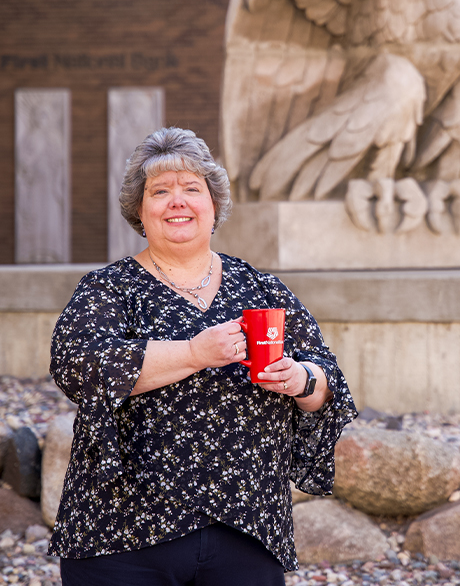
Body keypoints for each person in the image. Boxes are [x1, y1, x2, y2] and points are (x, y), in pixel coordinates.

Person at [49, 126, 357, 586]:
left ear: (213, 205)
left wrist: (301, 380)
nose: (178, 201)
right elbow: (79, 366)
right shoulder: (108, 289)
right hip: (125, 531)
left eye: (192, 189)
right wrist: (194, 352)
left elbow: (328, 378)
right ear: (140, 210)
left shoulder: (260, 287)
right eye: (161, 191)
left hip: (246, 526)